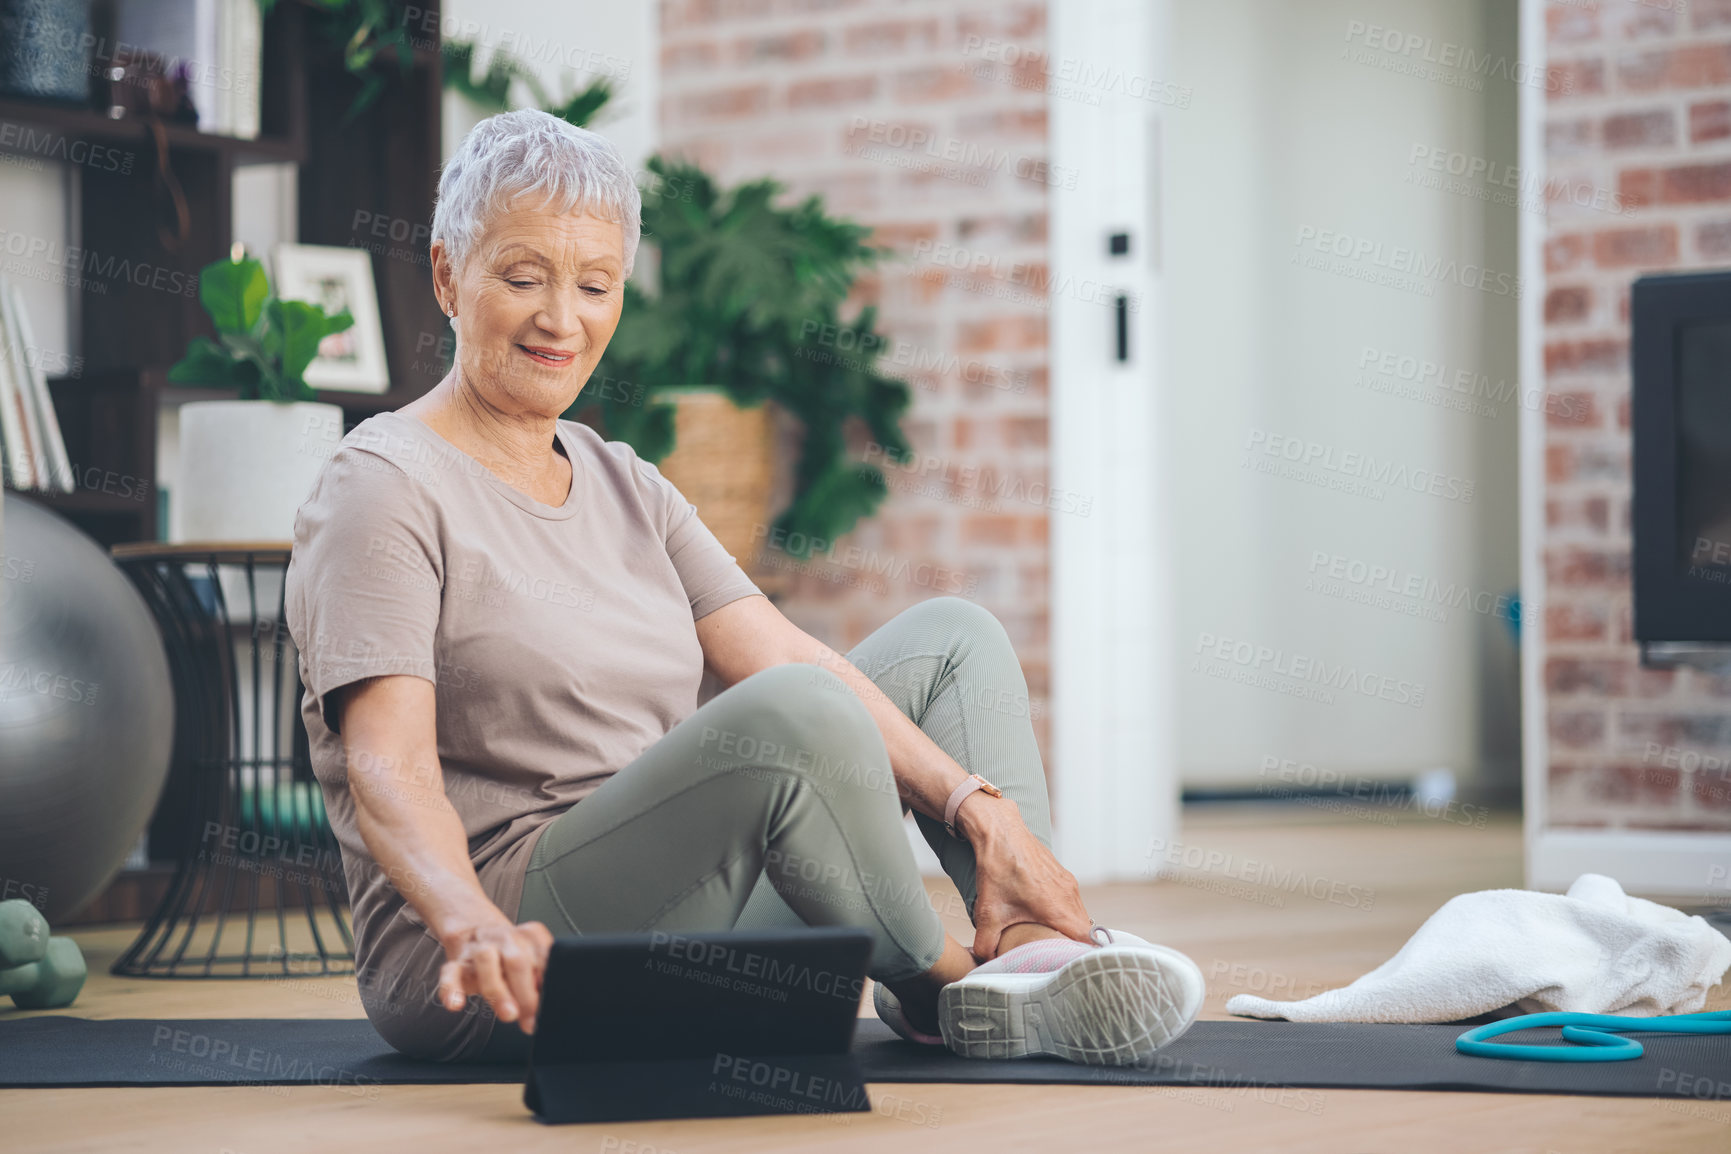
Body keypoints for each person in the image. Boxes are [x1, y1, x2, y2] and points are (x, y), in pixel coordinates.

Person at [284, 108, 1203, 1066]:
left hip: (688, 908)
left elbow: (787, 651)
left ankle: (1025, 948)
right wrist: (471, 925)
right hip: (503, 946)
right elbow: (386, 769)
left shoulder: (623, 480)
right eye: (523, 278)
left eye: (596, 285)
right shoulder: (383, 484)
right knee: (793, 716)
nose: (563, 318)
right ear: (446, 277)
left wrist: (980, 809)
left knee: (949, 643)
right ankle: (962, 986)